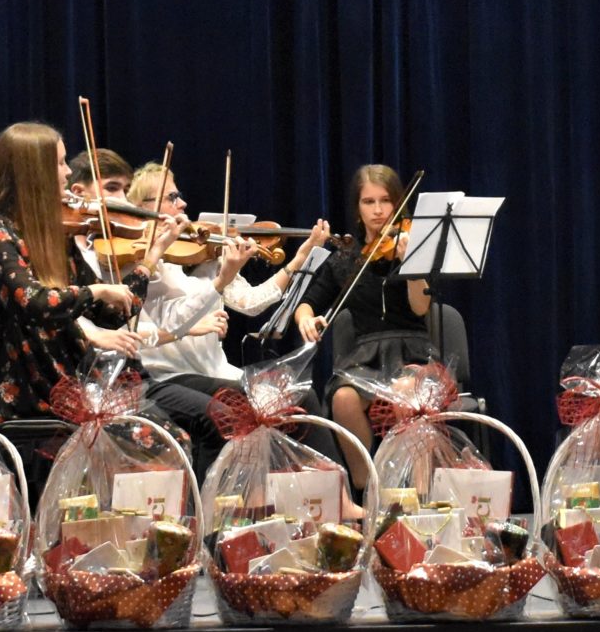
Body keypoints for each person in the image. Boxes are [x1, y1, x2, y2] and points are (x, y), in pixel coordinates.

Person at [124, 164, 333, 466]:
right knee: (269, 402)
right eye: (172, 198)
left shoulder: (203, 253)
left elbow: (251, 302)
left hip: (215, 370)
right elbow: (160, 324)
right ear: (146, 207)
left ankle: (325, 481)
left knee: (300, 395)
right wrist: (196, 321)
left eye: (179, 195)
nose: (182, 203)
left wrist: (300, 257)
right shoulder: (146, 263)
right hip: (172, 375)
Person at [0, 122, 157, 422]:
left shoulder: (55, 233)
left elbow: (110, 314)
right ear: (33, 171)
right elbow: (34, 302)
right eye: (59, 163)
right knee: (152, 439)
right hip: (34, 389)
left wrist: (150, 259)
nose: (68, 172)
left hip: (75, 379)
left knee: (169, 437)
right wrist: (98, 290)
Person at [294, 164, 438, 487]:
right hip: (366, 358)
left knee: (407, 392)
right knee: (343, 399)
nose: (378, 210)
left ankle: (419, 491)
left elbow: (420, 307)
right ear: (357, 208)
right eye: (368, 202)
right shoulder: (346, 259)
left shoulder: (414, 248)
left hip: (412, 352)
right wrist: (306, 318)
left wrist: (412, 264)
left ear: (398, 203)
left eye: (385, 200)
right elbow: (307, 303)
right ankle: (369, 487)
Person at [65, 147, 135, 286]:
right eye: (111, 188)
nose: (123, 199)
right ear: (78, 192)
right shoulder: (64, 248)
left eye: (126, 190)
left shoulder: (125, 247)